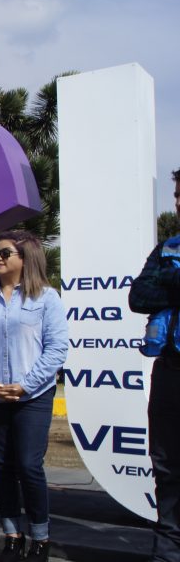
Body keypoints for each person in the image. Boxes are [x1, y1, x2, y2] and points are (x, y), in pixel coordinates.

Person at [0, 231, 68, 562]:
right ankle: (12, 536)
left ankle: (40, 539)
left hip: (32, 397)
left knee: (29, 466)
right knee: (3, 467)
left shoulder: (47, 299)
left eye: (5, 253)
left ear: (26, 257)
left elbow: (57, 349)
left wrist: (25, 385)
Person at [129, 181, 180, 562]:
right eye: (178, 195)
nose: (178, 202)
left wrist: (168, 280)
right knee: (167, 464)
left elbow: (158, 287)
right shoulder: (167, 249)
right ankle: (166, 552)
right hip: (171, 371)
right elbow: (138, 296)